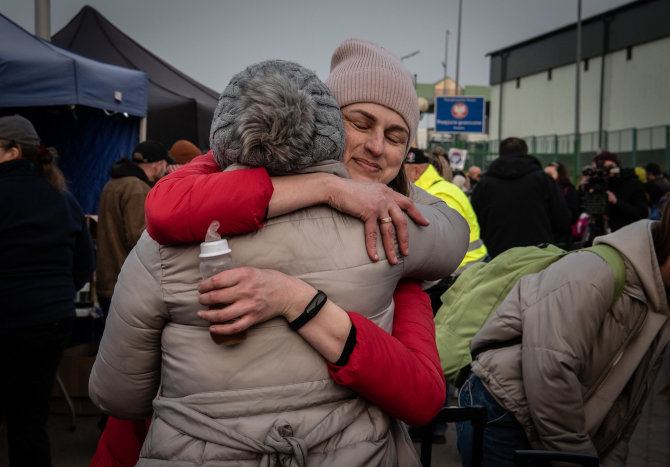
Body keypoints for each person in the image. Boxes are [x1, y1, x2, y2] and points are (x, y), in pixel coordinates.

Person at [90, 50, 468, 466]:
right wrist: (327, 186)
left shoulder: (393, 232)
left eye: (396, 138)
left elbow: (118, 395)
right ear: (322, 121)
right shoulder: (392, 239)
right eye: (359, 123)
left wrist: (297, 301)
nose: (376, 146)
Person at [456, 199, 670, 467]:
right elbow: (550, 371)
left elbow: (625, 410)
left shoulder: (660, 301)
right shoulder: (593, 273)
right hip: (505, 413)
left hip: (553, 421)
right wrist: (578, 459)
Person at [0, 115, 95, 466]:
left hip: (7, 320)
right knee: (30, 422)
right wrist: (55, 294)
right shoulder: (64, 199)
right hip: (51, 322)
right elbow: (86, 262)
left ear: (12, 152)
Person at [95, 140, 174, 316]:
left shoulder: (113, 183)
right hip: (127, 285)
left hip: (108, 282)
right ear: (158, 165)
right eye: (164, 165)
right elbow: (139, 238)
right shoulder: (137, 188)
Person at [404, 146, 488, 309]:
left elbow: (436, 248)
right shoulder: (436, 190)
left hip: (459, 273)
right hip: (461, 271)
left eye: (402, 172)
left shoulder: (437, 196)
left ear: (416, 171)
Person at [471, 137, 571, 258]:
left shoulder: (485, 184)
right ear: (526, 153)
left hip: (498, 255)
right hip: (539, 253)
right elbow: (562, 220)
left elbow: (476, 221)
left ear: (500, 154)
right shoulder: (543, 180)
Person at [584, 151, 647, 233]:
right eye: (597, 169)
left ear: (617, 166)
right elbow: (592, 213)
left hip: (628, 234)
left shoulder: (632, 183)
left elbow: (642, 214)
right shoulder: (598, 185)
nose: (605, 171)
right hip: (603, 234)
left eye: (609, 167)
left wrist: (617, 202)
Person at [545, 161, 581, 246]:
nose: (546, 177)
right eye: (545, 174)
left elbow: (572, 216)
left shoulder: (569, 191)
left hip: (562, 239)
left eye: (550, 174)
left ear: (559, 175)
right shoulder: (543, 190)